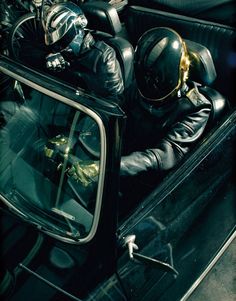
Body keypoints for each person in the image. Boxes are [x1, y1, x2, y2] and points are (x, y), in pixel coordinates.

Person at [119, 27, 212, 202]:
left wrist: (114, 166)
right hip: (124, 167)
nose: (149, 84)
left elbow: (165, 153)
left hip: (156, 188)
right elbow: (115, 114)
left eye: (155, 79)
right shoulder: (140, 88)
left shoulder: (197, 108)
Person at [43, 1, 124, 102]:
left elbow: (115, 100)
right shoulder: (60, 51)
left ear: (79, 32)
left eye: (64, 41)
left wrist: (72, 72)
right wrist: (49, 61)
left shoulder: (104, 56)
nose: (60, 48)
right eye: (56, 44)